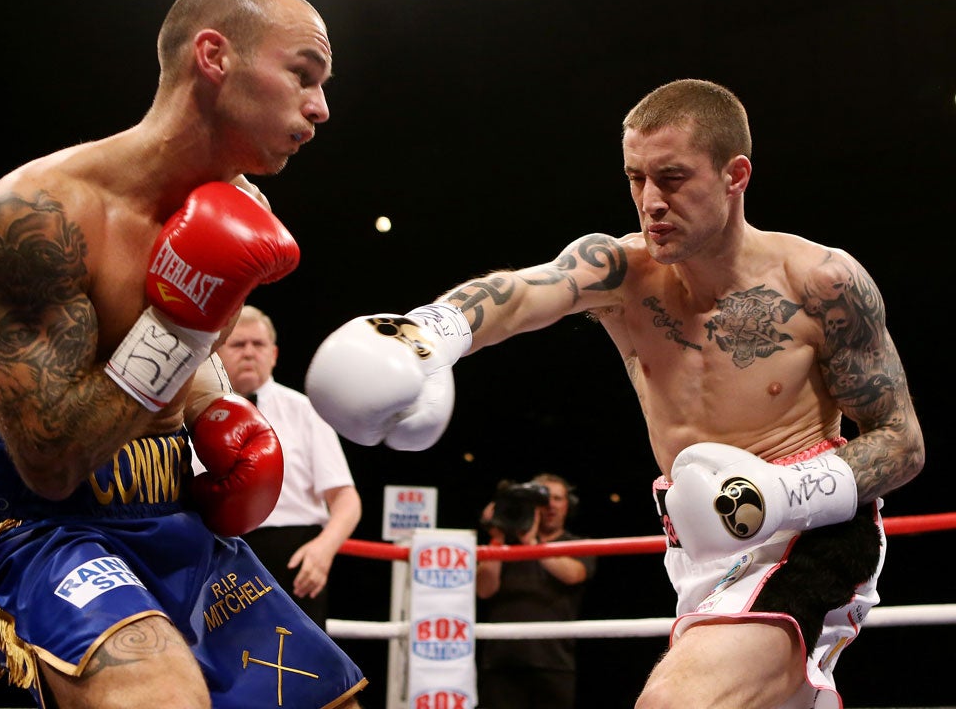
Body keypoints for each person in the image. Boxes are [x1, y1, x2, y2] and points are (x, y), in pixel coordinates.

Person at [304, 78, 925, 708]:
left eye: (674, 177)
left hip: (811, 537)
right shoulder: (624, 274)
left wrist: (781, 494)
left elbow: (902, 443)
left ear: (735, 174)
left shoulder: (821, 282)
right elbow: (521, 294)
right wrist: (426, 332)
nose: (651, 201)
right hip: (696, 549)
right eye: (636, 179)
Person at [0, 0, 368, 709]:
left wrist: (216, 412)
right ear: (214, 56)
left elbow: (178, 365)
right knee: (157, 693)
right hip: (33, 524)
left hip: (165, 510)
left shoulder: (238, 206)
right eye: (303, 75)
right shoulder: (44, 212)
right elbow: (49, 461)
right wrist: (183, 322)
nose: (320, 107)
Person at [202, 304, 362, 630]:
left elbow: (346, 499)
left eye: (257, 345)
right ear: (217, 353)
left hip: (295, 561)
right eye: (238, 344)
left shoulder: (305, 410)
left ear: (273, 354)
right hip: (217, 559)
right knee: (224, 674)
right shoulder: (196, 415)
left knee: (298, 675)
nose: (249, 352)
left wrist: (324, 549)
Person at [476, 473, 596, 709]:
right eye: (543, 498)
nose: (550, 505)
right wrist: (497, 537)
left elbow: (573, 575)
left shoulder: (577, 543)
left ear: (567, 505)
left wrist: (531, 543)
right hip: (501, 660)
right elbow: (484, 590)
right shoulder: (505, 545)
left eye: (557, 498)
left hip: (553, 662)